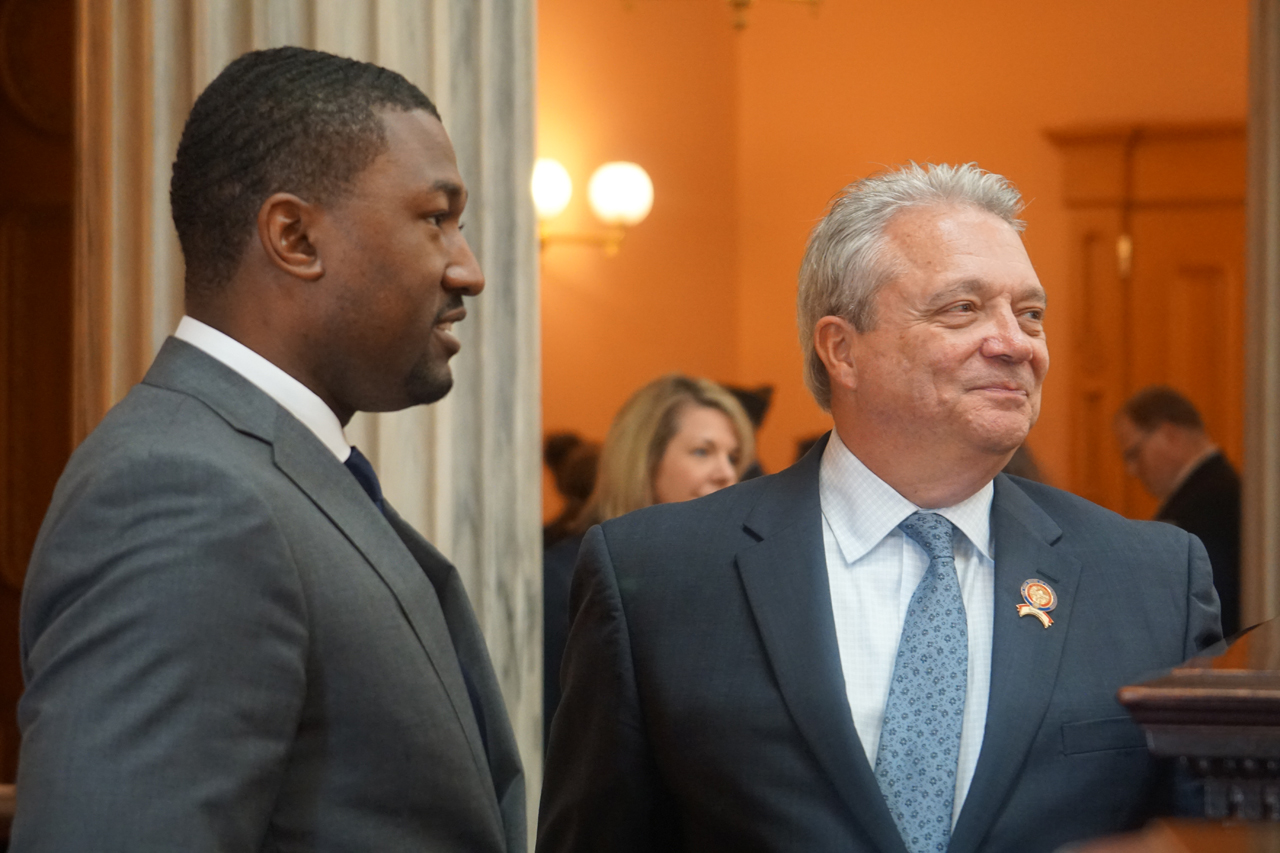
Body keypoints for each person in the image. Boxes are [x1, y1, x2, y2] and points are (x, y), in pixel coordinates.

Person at [538, 163, 1222, 853]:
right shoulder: (657, 576)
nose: (1016, 343)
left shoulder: (1151, 581)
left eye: (1031, 313)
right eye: (963, 307)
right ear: (842, 349)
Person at [13, 47, 524, 852]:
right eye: (436, 218)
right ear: (293, 236)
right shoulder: (183, 495)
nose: (469, 269)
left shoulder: (273, 473)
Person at [542, 374, 753, 747]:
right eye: (703, 452)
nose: (727, 473)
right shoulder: (568, 577)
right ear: (644, 460)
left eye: (733, 456)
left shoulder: (734, 577)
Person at [1115, 386, 1242, 635]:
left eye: (1134, 453)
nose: (1131, 470)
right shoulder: (1215, 491)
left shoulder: (1207, 505)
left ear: (1169, 435)